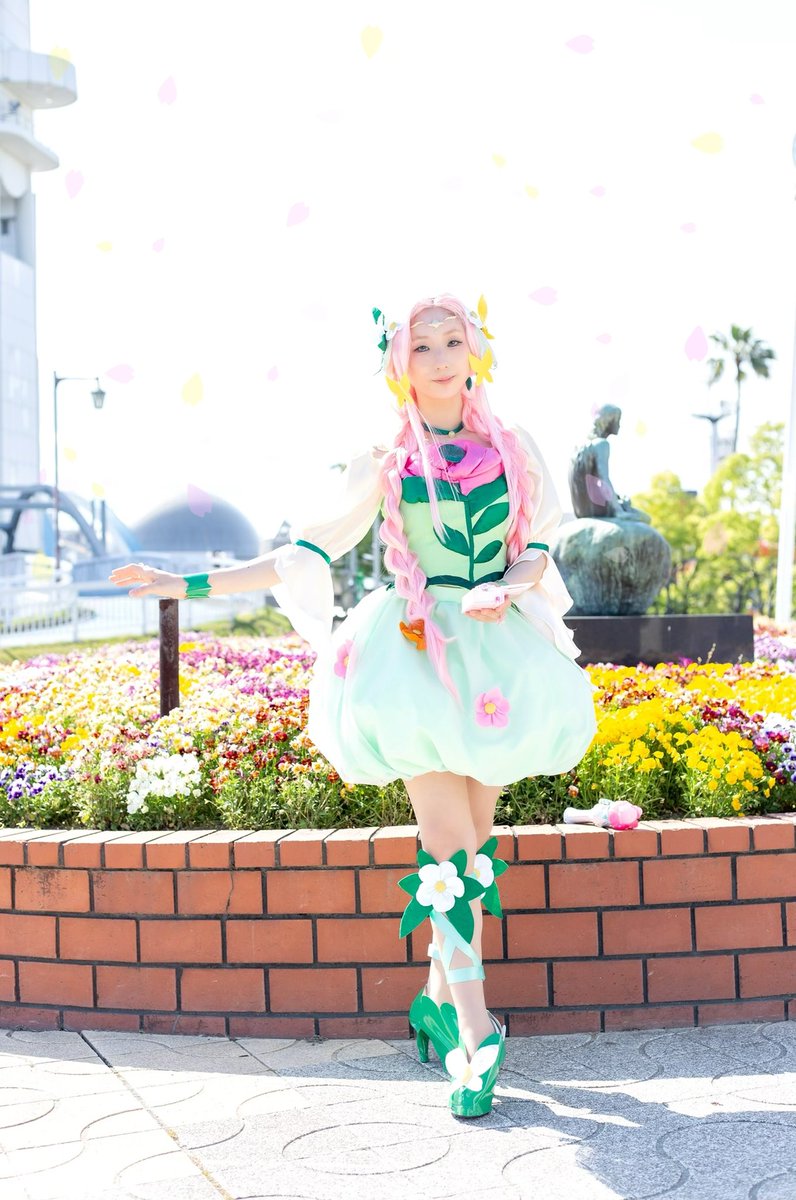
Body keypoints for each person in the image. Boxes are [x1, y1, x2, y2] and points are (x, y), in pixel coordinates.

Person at [109, 291, 598, 1118]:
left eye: (452, 341)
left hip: (495, 660)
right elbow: (301, 554)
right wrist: (184, 584)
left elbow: (538, 548)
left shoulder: (514, 446)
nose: (439, 358)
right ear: (397, 363)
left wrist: (504, 590)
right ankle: (476, 1034)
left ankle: (435, 1001)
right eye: (421, 346)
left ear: (476, 350)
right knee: (450, 855)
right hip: (414, 659)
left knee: (474, 851)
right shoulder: (384, 459)